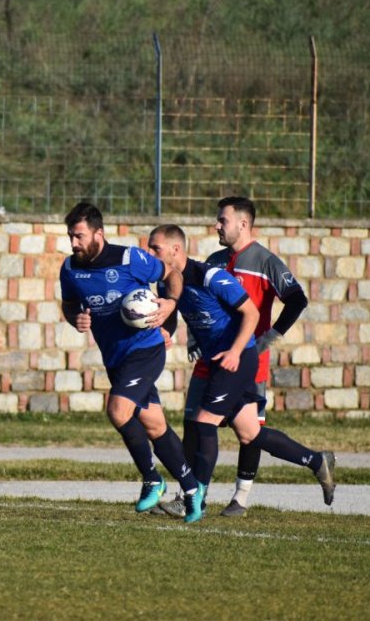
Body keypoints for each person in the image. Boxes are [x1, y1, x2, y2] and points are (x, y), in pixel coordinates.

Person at [147, 224, 334, 523]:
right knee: (249, 432)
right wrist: (165, 332)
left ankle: (194, 498)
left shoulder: (211, 276)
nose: (149, 253)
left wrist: (235, 351)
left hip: (238, 358)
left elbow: (252, 313)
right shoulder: (166, 285)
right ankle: (316, 460)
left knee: (204, 422)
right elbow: (172, 316)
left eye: (154, 248)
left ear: (176, 250)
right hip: (215, 361)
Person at [59, 202, 203, 520]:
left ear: (99, 233)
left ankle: (153, 479)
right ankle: (193, 489)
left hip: (146, 348)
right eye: (70, 236)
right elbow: (69, 304)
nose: (73, 243)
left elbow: (173, 274)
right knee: (154, 425)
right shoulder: (70, 269)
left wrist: (170, 303)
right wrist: (76, 319)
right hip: (115, 358)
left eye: (79, 236)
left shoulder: (130, 259)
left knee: (117, 410)